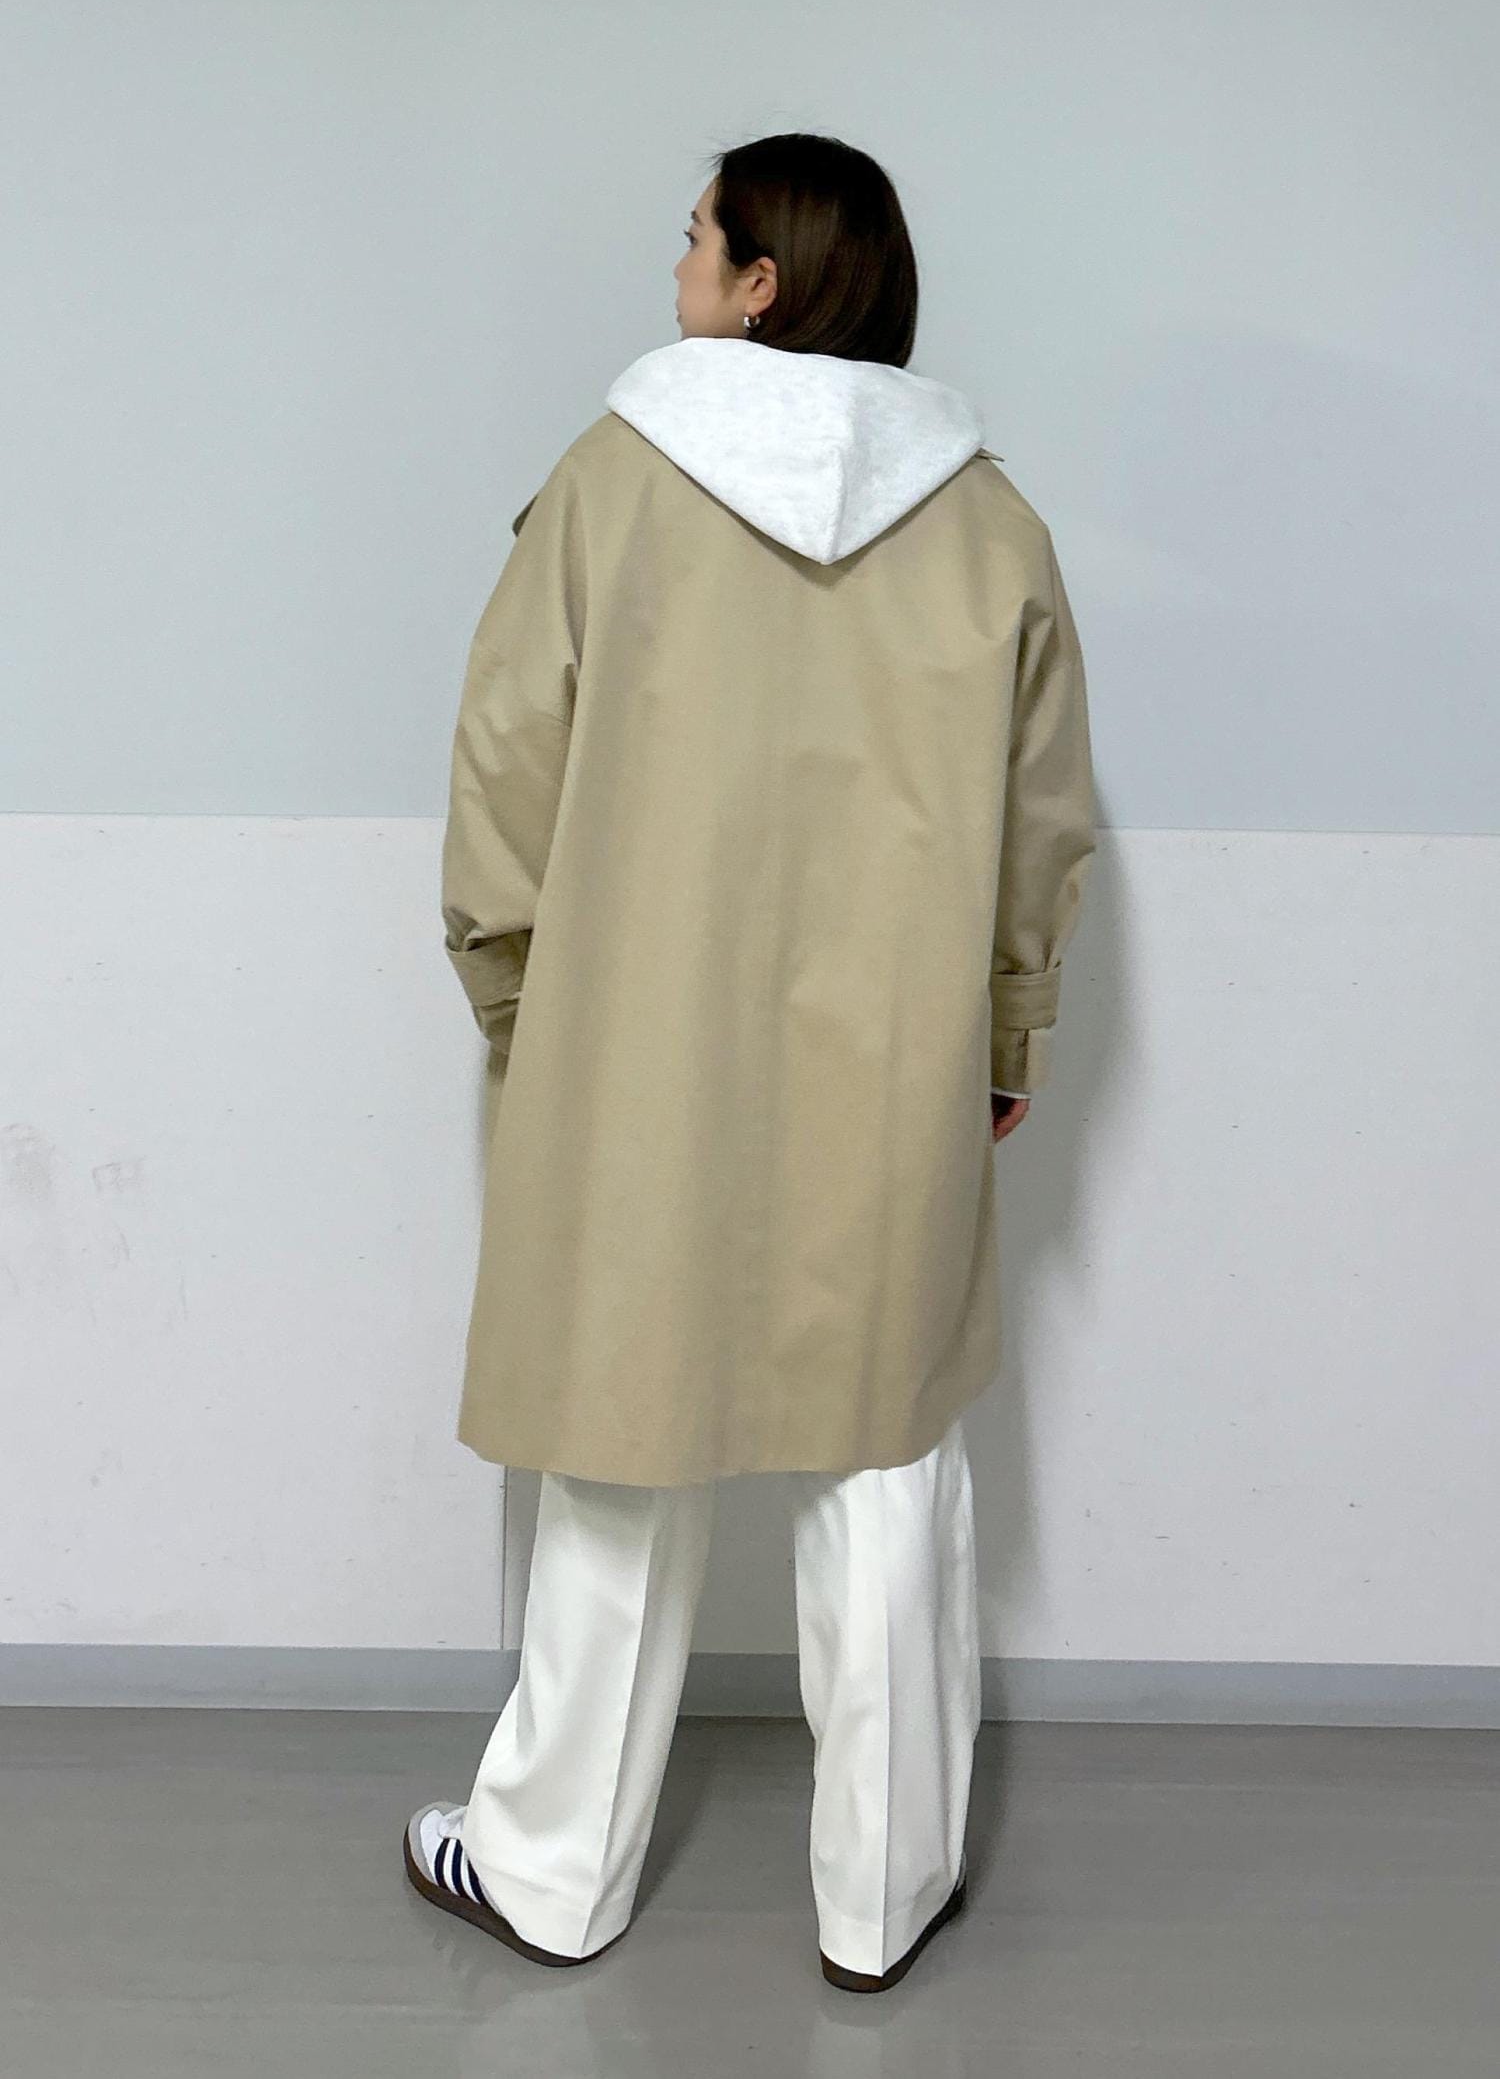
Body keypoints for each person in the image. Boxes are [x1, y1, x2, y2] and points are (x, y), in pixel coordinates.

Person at [403, 132, 1096, 1992]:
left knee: (618, 1439)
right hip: (894, 1067)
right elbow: (1042, 823)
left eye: (698, 237)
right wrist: (1006, 1026)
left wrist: (520, 1005)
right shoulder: (993, 523)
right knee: (886, 1446)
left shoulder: (611, 479)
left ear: (761, 282)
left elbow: (504, 771)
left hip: (634, 1049)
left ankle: (548, 1870)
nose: (680, 265)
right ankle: (884, 1893)